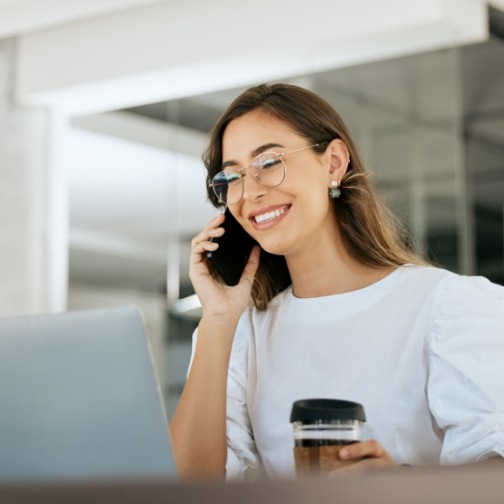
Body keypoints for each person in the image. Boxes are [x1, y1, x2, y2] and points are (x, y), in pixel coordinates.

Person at [169, 83, 504, 480]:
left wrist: (403, 486)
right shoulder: (240, 332)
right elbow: (190, 486)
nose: (250, 192)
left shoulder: (448, 307)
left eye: (269, 162)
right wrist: (219, 320)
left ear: (333, 162)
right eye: (231, 176)